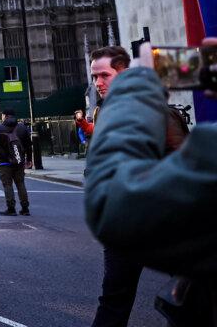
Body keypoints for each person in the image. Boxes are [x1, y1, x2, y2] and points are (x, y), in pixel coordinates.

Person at [85, 41, 217, 325]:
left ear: (125, 73)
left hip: (157, 212)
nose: (97, 82)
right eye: (94, 76)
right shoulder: (105, 112)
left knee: (190, 293)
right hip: (149, 212)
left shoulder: (159, 113)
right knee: (116, 298)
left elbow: (183, 159)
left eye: (104, 75)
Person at [0, 108, 32, 216]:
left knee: (7, 184)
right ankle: (25, 208)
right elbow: (28, 145)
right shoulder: (22, 127)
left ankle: (11, 208)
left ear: (5, 116)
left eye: (2, 115)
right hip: (19, 161)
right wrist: (29, 159)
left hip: (4, 162)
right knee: (20, 183)